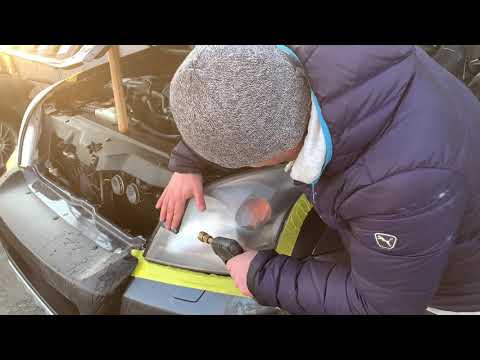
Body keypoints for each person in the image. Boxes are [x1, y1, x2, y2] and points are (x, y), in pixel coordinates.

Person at [156, 45, 480, 314]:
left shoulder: (400, 184)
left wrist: (261, 275)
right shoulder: (294, 58)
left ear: (269, 155)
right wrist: (188, 161)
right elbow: (235, 91)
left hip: (460, 287)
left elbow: (381, 306)